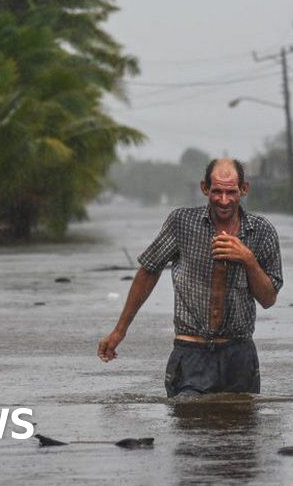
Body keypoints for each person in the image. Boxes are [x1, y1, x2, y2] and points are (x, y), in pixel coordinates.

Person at [97, 158, 283, 397]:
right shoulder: (182, 223)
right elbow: (148, 271)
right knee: (188, 425)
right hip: (191, 352)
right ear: (205, 188)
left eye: (231, 192)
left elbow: (268, 299)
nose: (224, 200)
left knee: (240, 430)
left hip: (239, 355)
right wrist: (119, 331)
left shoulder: (261, 231)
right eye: (217, 191)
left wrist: (247, 258)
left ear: (244, 189)